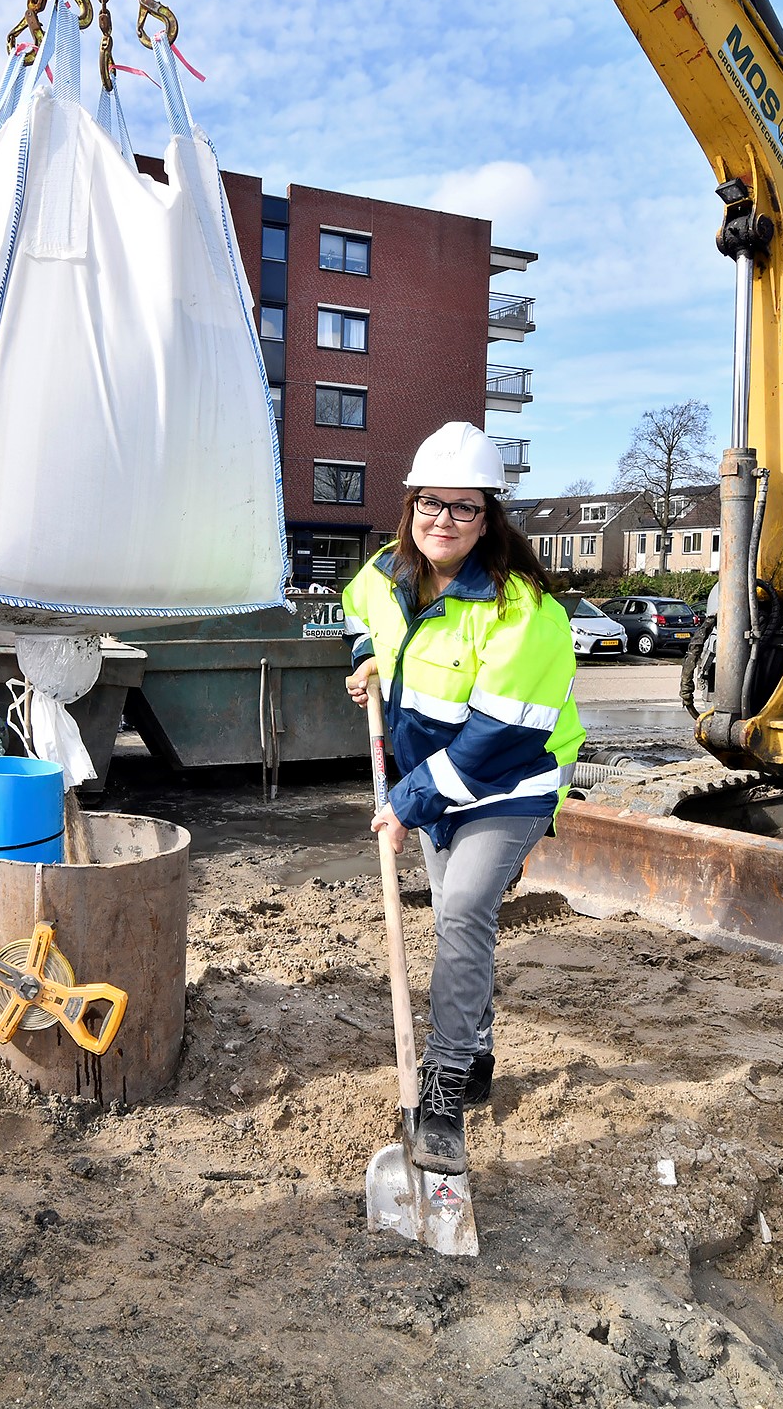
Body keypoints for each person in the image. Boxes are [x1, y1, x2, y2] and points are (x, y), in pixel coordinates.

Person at [341, 422, 583, 1176]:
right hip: (435, 784)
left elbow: (495, 740)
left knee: (465, 908)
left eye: (464, 507)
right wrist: (365, 662)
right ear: (410, 505)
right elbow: (359, 612)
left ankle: (443, 1088)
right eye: (430, 503)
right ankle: (476, 1048)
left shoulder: (524, 612)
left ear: (490, 516)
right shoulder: (385, 573)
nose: (442, 520)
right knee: (454, 922)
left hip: (509, 782)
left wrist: (407, 802)